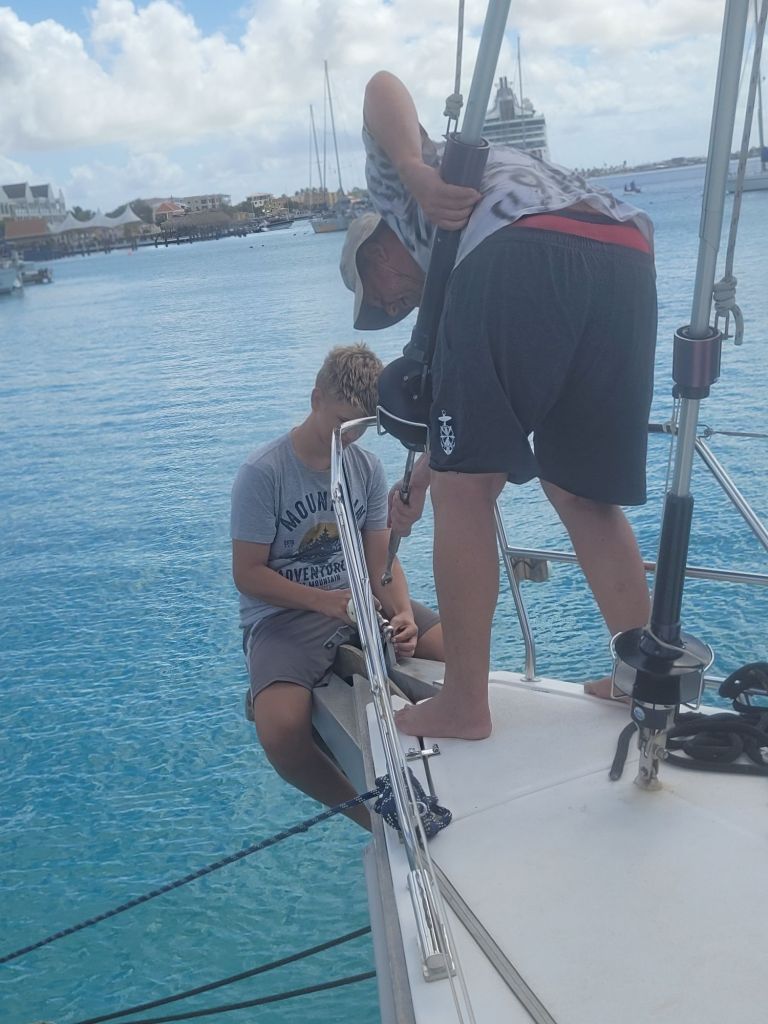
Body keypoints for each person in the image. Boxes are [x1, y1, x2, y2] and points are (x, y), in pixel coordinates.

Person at [339, 71, 657, 740]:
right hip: (624, 251)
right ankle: (641, 678)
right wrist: (426, 472)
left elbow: (380, 86)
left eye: (384, 296)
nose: (397, 306)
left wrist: (414, 173)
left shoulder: (402, 194)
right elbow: (470, 422)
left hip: (521, 249)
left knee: (466, 493)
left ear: (377, 252)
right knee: (582, 493)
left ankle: (463, 703)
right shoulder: (455, 267)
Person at [231, 343, 443, 828]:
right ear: (316, 399)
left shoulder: (365, 468)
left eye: (358, 428)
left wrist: (403, 612)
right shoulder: (263, 474)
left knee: (456, 649)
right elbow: (248, 574)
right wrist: (324, 602)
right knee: (280, 731)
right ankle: (370, 816)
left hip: (356, 600)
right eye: (340, 423)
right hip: (286, 614)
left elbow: (379, 558)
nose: (346, 438)